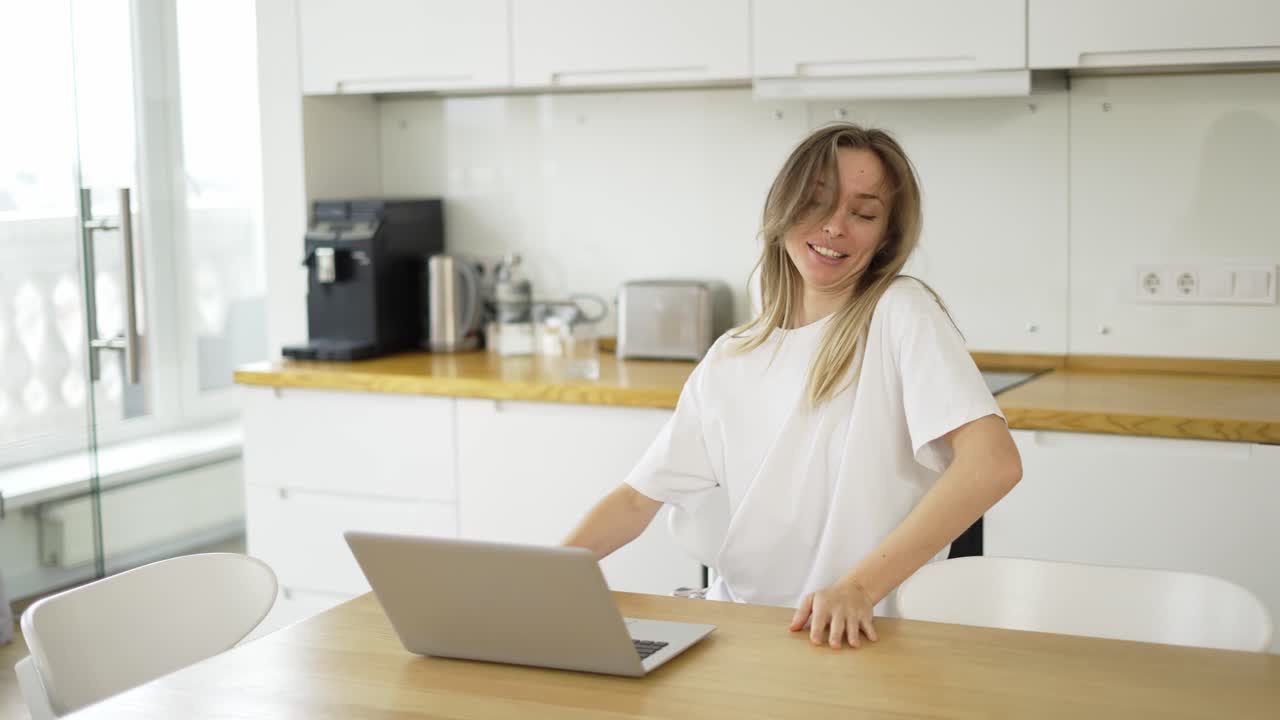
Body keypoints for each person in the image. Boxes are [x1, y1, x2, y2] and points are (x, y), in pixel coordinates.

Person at [563, 123, 1022, 650]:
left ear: (886, 237)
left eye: (864, 213)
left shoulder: (900, 312)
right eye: (817, 202)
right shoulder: (732, 356)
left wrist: (858, 587)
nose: (835, 227)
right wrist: (550, 572)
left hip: (860, 634)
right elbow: (637, 500)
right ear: (783, 209)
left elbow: (994, 463)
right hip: (744, 632)